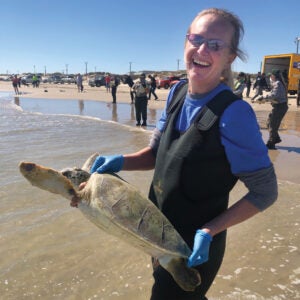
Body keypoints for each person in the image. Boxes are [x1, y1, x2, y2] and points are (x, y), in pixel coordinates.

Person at [74, 8, 277, 299]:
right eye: (196, 39)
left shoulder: (234, 113)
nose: (202, 49)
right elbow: (157, 154)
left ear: (230, 57)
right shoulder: (176, 93)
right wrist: (121, 161)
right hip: (155, 232)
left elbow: (265, 191)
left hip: (195, 248)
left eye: (215, 44)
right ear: (185, 43)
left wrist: (209, 230)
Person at [256, 69, 288, 149]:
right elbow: (273, 94)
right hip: (278, 106)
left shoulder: (278, 83)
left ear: (274, 76)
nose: (270, 77)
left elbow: (274, 95)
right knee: (269, 123)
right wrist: (264, 99)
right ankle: (276, 138)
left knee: (273, 125)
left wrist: (263, 97)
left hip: (280, 107)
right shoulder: (277, 83)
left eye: (271, 75)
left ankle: (271, 143)